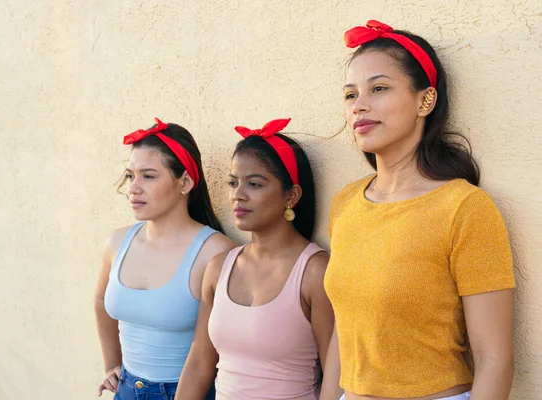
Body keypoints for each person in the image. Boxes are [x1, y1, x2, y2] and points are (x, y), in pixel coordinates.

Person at [320, 21, 515, 400]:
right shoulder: (345, 203)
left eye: (378, 89)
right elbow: (343, 339)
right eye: (350, 95)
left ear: (425, 100)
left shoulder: (464, 208)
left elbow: (495, 358)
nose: (359, 105)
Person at [175, 118, 335, 400]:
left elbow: (335, 373)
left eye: (255, 184)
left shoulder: (314, 272)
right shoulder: (218, 268)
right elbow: (200, 363)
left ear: (291, 195)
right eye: (233, 182)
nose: (238, 195)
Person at [94, 118, 236, 400]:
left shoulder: (214, 253)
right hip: (126, 390)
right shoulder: (117, 242)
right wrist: (112, 363)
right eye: (130, 175)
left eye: (148, 176)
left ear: (184, 182)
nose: (134, 187)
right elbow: (100, 301)